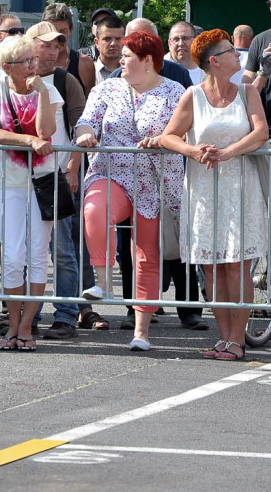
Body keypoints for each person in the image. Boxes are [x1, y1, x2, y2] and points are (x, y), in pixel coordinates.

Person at [161, 29, 271, 360]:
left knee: (237, 267)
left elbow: (261, 132)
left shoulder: (247, 91)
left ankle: (238, 339)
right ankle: (223, 338)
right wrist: (193, 150)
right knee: (212, 267)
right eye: (231, 52)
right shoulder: (192, 95)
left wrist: (228, 152)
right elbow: (169, 136)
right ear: (214, 61)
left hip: (242, 186)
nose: (238, 56)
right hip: (205, 190)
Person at [76, 31, 185, 351]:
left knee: (146, 256)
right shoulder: (106, 88)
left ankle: (141, 331)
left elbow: (182, 130)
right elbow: (86, 120)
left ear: (148, 61)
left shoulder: (174, 91)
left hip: (155, 182)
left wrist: (164, 139)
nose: (120, 60)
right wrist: (84, 135)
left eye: (127, 56)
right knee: (94, 209)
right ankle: (103, 281)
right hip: (111, 173)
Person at [0, 34, 61, 351]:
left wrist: (41, 92)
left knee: (38, 256)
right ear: (6, 66)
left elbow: (46, 132)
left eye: (33, 59)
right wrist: (27, 142)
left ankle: (26, 326)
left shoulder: (49, 89)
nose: (32, 64)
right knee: (13, 256)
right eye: (25, 60)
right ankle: (12, 324)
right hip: (8, 181)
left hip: (42, 181)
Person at [26, 21, 85, 340]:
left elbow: (81, 126)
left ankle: (65, 314)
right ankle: (26, 313)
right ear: (29, 44)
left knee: (62, 250)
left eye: (57, 45)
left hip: (56, 176)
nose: (53, 50)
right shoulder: (12, 79)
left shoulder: (66, 80)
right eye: (46, 44)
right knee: (22, 249)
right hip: (20, 176)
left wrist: (73, 166)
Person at [40, 3, 96, 93]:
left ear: (71, 30)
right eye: (52, 31)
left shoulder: (84, 63)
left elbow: (90, 103)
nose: (57, 37)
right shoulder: (32, 63)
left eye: (63, 31)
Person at [92, 15, 126, 85]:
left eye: (118, 39)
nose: (113, 43)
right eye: (107, 39)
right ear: (97, 42)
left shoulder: (133, 72)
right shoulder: (87, 72)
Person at [166, 21, 203, 86]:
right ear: (169, 44)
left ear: (195, 41)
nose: (181, 44)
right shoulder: (159, 69)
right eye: (176, 39)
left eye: (185, 38)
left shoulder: (209, 70)